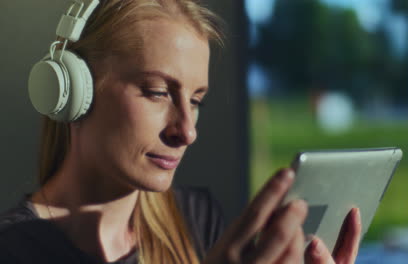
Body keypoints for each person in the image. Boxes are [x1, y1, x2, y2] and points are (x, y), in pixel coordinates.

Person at [0, 0, 362, 263]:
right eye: (158, 92)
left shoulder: (195, 218)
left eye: (196, 101)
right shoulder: (13, 250)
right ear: (73, 92)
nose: (187, 132)